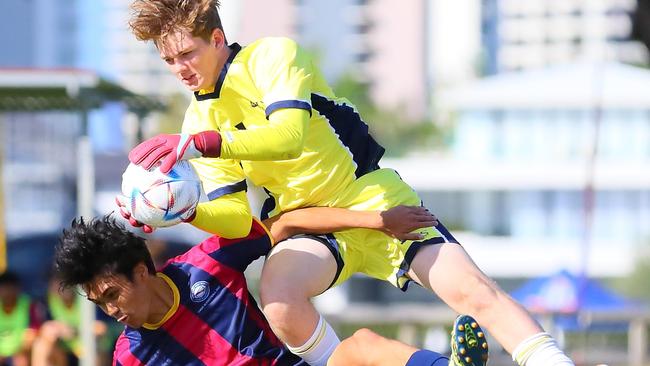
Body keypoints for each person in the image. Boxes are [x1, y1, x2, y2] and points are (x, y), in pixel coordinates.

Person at [123, 1, 572, 365]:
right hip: (311, 226)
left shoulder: (271, 55)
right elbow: (239, 221)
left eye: (188, 54)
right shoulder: (198, 118)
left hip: (371, 195)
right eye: (169, 60)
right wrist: (183, 210)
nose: (180, 69)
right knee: (278, 297)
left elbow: (288, 136)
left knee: (472, 292)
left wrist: (202, 145)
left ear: (217, 39)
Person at [54, 215, 488, 366]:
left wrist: (375, 219)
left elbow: (285, 224)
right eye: (98, 303)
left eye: (111, 294)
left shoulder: (206, 264)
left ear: (141, 272)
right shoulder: (129, 357)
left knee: (363, 346)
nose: (108, 310)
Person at [31, 274, 108, 366]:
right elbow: (43, 330)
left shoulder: (88, 300)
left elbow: (102, 328)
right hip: (63, 352)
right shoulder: (46, 303)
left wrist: (74, 330)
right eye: (57, 284)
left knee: (100, 347)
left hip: (88, 348)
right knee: (41, 346)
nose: (62, 288)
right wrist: (57, 329)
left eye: (65, 283)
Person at [0, 271, 44, 366]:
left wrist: (22, 348)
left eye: (11, 288)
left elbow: (35, 330)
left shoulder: (29, 305)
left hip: (22, 351)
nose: (8, 292)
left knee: (21, 359)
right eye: (4, 288)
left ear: (18, 289)